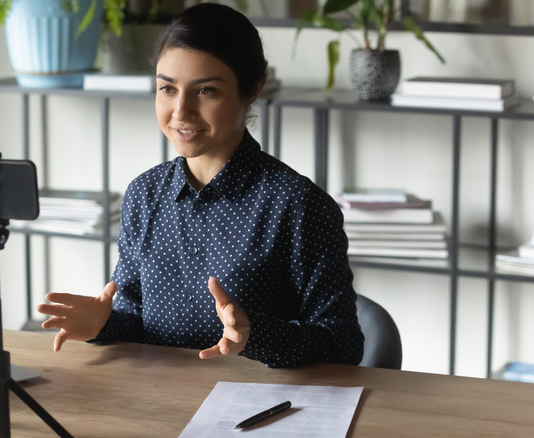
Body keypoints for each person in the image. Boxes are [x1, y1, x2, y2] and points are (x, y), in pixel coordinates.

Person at [37, 3, 364, 367]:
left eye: (206, 90)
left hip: (261, 407)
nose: (181, 112)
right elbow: (133, 321)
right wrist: (102, 324)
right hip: (159, 400)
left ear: (253, 89)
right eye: (167, 89)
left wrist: (254, 334)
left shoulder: (297, 204)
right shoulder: (144, 194)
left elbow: (342, 346)